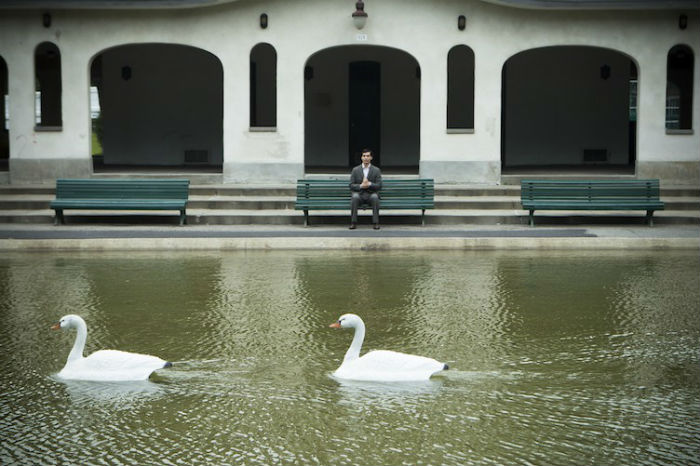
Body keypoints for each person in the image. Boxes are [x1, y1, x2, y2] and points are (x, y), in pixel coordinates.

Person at [349, 148, 382, 230]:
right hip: (359, 194)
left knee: (375, 197)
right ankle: (353, 222)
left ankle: (376, 222)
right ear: (361, 157)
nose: (366, 158)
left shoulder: (376, 170)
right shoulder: (355, 170)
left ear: (371, 158)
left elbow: (379, 185)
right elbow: (351, 185)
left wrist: (369, 184)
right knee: (355, 197)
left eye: (368, 156)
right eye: (364, 156)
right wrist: (361, 186)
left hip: (371, 194)